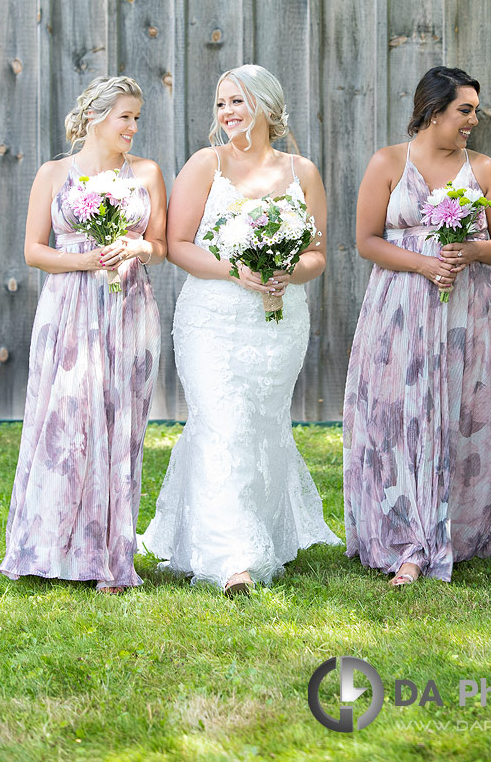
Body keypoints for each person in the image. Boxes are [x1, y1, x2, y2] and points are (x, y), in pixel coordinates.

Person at [138, 65, 340, 595]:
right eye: (221, 102)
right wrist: (235, 270)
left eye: (238, 101)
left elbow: (318, 255)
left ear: (267, 107)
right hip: (212, 319)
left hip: (279, 321)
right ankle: (234, 560)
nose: (227, 112)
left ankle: (254, 531)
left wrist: (288, 271)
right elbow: (178, 245)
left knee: (261, 425)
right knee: (221, 423)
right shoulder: (206, 163)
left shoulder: (303, 172)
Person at [343, 66, 491, 586]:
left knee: (460, 414)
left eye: (476, 111)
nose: (474, 120)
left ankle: (453, 530)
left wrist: (473, 251)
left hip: (469, 312)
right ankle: (404, 537)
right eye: (465, 110)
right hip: (399, 309)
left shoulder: (483, 169)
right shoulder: (388, 163)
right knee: (398, 414)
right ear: (433, 110)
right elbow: (367, 241)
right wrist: (424, 264)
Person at [0, 76, 167, 592]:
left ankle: (111, 553)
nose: (133, 127)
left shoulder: (147, 173)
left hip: (129, 309)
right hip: (68, 307)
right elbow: (34, 250)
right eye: (125, 117)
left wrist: (136, 248)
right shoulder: (54, 174)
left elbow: (160, 245)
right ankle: (48, 545)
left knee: (121, 423)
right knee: (65, 421)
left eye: (137, 118)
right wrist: (85, 260)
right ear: (96, 117)